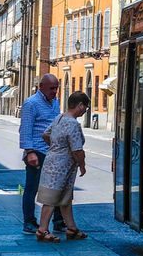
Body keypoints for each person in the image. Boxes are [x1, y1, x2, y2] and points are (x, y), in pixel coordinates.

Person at [35, 91, 91, 242]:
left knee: (65, 198)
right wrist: (82, 165)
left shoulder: (59, 118)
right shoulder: (73, 124)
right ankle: (42, 230)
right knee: (52, 198)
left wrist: (56, 147)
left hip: (52, 161)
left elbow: (46, 134)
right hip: (61, 167)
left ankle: (71, 228)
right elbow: (77, 149)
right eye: (85, 107)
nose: (86, 110)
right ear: (79, 105)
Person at [20, 74, 65, 234]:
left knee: (57, 187)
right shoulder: (31, 103)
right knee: (32, 188)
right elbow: (25, 129)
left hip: (53, 152)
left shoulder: (55, 102)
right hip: (37, 152)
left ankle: (59, 221)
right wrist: (30, 152)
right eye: (52, 88)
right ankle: (29, 222)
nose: (55, 91)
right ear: (41, 87)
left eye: (56, 88)